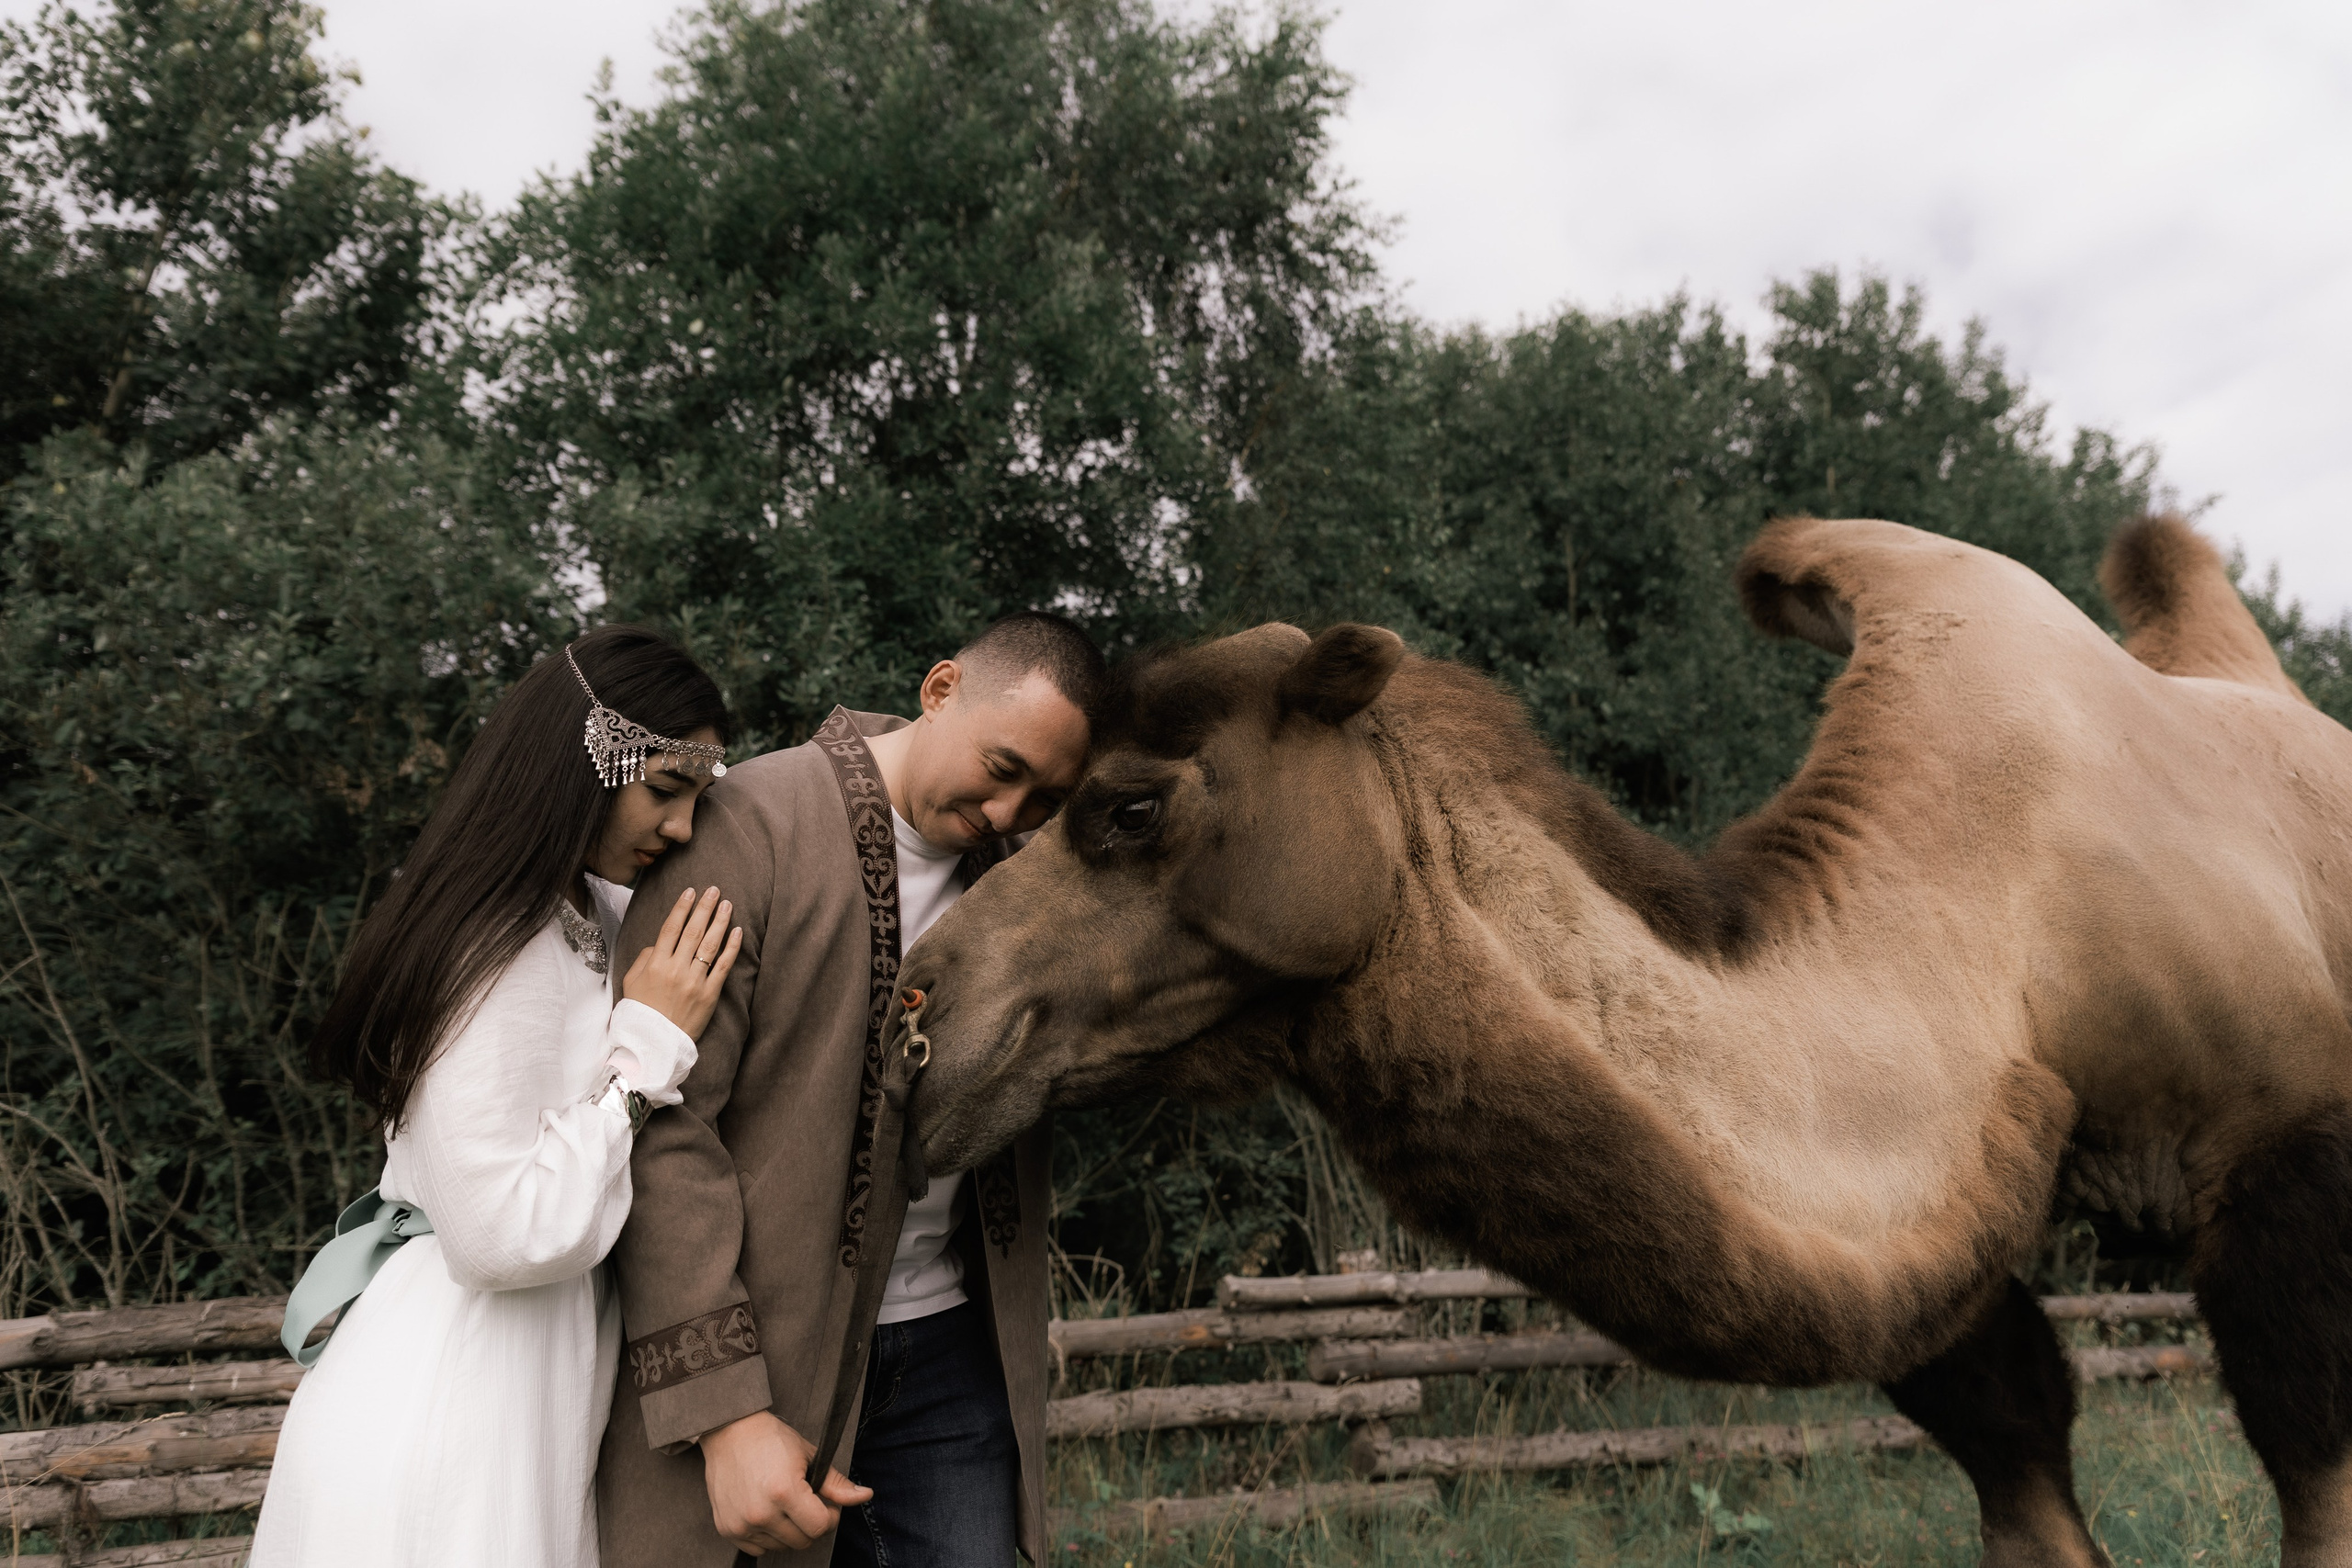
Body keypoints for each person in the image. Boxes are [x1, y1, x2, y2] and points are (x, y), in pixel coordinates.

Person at [596, 612, 1105, 1568]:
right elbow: (663, 1132)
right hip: (761, 1353)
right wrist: (724, 1414)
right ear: (941, 688)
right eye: (1003, 769)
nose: (1009, 814)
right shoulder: (748, 824)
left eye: (1044, 797)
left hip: (953, 1357)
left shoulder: (1030, 890)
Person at [253, 626, 743, 1568]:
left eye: (697, 798)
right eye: (664, 790)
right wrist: (645, 1053)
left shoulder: (585, 917)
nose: (681, 829)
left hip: (526, 1378)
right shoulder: (496, 943)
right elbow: (498, 1235)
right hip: (463, 1384)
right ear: (586, 761)